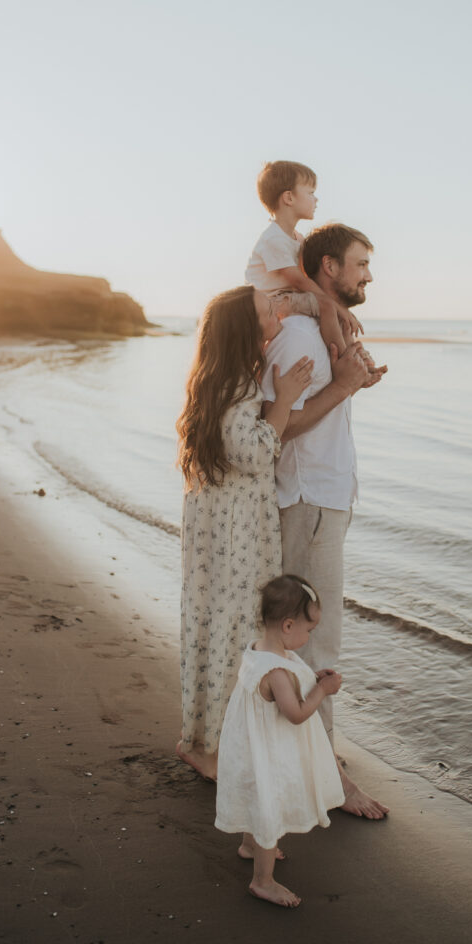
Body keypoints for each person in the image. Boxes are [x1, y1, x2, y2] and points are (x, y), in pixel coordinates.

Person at [261, 222, 389, 820]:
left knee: (310, 637)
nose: (369, 274)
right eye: (361, 263)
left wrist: (351, 384)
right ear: (329, 267)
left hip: (322, 501)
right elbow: (277, 426)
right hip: (310, 502)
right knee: (317, 639)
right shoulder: (301, 337)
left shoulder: (319, 334)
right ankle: (328, 774)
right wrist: (342, 387)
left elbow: (319, 409)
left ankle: (311, 756)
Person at [175, 285, 314, 781]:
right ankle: (210, 747)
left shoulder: (223, 379)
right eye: (266, 310)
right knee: (234, 627)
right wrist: (288, 401)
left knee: (215, 625)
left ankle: (203, 737)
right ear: (245, 330)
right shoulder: (236, 384)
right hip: (234, 530)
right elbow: (254, 453)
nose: (276, 313)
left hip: (220, 524)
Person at [215, 574, 345, 908]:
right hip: (267, 752)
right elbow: (297, 713)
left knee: (255, 797)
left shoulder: (261, 649)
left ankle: (249, 844)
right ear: (288, 626)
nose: (309, 636)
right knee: (268, 804)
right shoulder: (276, 671)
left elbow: (286, 684)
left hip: (249, 746)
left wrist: (310, 678)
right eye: (309, 629)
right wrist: (323, 691)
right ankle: (263, 881)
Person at [245, 160, 362, 355]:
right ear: (289, 198)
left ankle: (356, 354)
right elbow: (298, 280)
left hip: (287, 296)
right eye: (310, 193)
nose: (316, 200)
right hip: (270, 301)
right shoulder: (274, 239)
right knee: (328, 306)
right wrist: (337, 308)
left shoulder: (297, 238)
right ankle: (345, 358)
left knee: (334, 305)